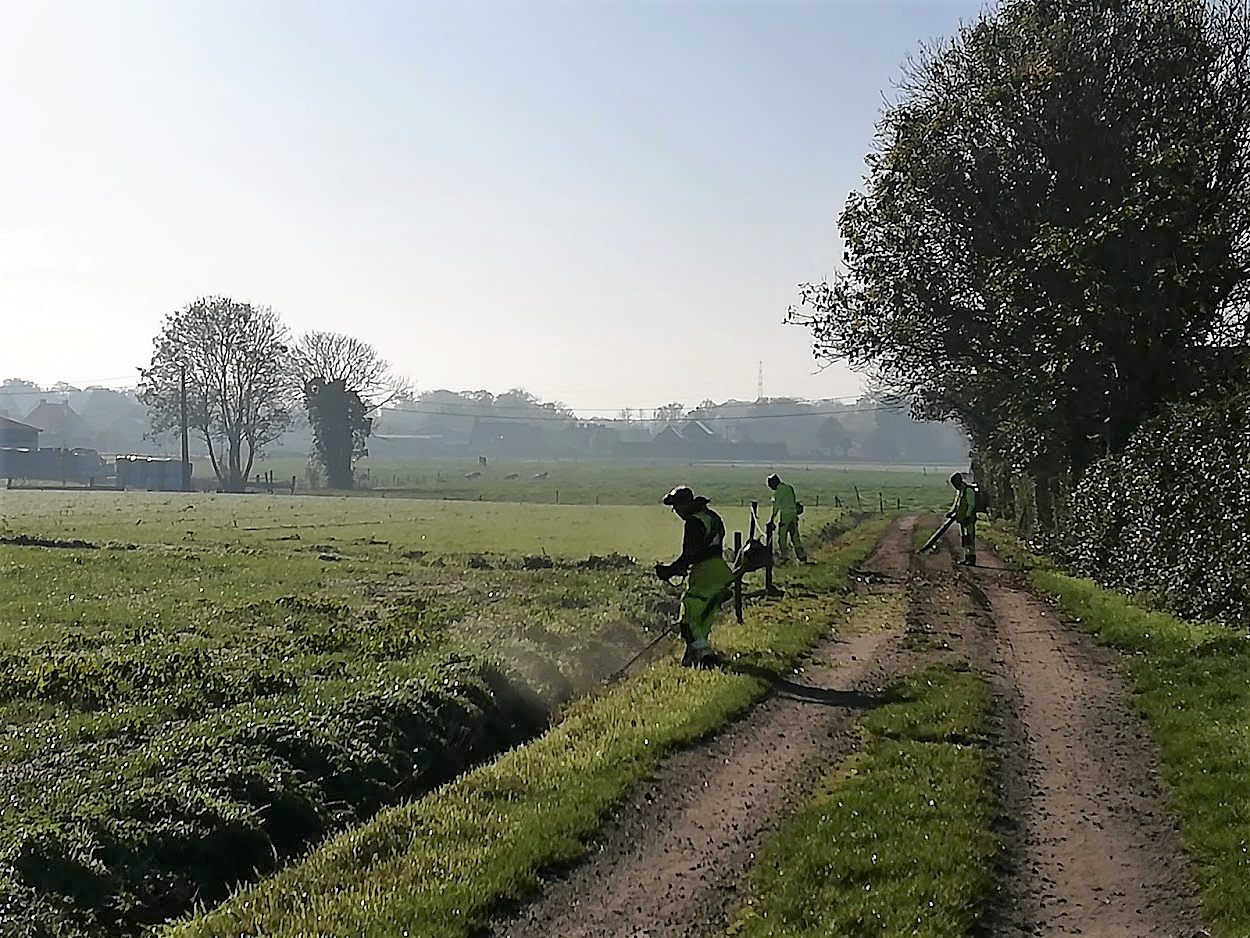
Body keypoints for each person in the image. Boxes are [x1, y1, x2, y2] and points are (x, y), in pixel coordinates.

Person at [655, 486, 735, 669]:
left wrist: (669, 571)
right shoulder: (711, 516)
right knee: (702, 618)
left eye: (676, 507)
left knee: (687, 617)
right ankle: (693, 657)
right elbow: (708, 548)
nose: (677, 512)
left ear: (685, 504)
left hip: (704, 573)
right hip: (720, 571)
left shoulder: (694, 522)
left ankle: (706, 658)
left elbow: (689, 555)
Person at [765, 473, 807, 563]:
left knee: (782, 539)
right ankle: (802, 557)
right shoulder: (789, 487)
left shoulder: (778, 492)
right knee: (795, 537)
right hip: (794, 516)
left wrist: (771, 519)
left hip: (785, 517)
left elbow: (776, 508)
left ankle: (785, 558)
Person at [948, 472, 979, 566]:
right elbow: (956, 504)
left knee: (970, 538)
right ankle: (967, 558)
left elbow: (971, 505)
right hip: (962, 519)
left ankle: (972, 558)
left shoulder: (968, 490)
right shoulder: (960, 491)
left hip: (968, 519)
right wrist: (951, 512)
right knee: (965, 539)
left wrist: (967, 515)